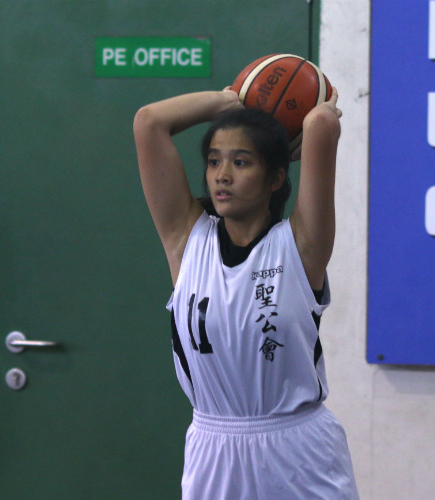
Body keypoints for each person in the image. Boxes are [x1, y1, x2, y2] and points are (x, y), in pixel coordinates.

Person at [133, 85, 360, 500]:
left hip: (297, 448)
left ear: (276, 177)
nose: (222, 175)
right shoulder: (186, 241)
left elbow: (322, 120)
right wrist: (228, 100)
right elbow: (150, 122)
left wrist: (291, 133)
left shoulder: (301, 246)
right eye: (214, 161)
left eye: (241, 162)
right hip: (212, 447)